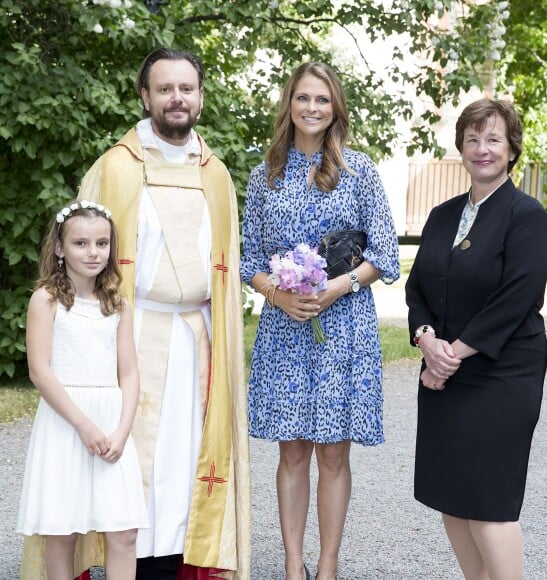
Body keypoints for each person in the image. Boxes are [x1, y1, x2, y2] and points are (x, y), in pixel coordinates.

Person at [49, 48, 250, 580]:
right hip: (131, 329)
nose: (176, 98)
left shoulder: (218, 175)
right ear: (145, 96)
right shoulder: (116, 166)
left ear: (201, 97)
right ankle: (124, 560)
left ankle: (175, 557)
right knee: (129, 452)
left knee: (186, 456)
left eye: (186, 88)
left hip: (198, 336)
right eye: (165, 89)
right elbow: (83, 260)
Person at [240, 62, 400, 580]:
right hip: (286, 328)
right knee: (292, 454)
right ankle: (293, 564)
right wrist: (278, 295)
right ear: (289, 104)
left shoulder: (359, 171)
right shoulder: (264, 176)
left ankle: (327, 566)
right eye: (304, 98)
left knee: (332, 453)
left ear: (336, 109)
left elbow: (385, 254)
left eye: (323, 100)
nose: (312, 108)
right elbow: (249, 262)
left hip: (343, 325)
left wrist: (340, 285)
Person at [405, 98, 547, 579]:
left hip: (502, 375)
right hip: (445, 375)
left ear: (512, 149)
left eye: (493, 139)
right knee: (454, 499)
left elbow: (518, 297)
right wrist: (428, 340)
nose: (482, 149)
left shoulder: (526, 215)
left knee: (489, 508)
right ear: (461, 148)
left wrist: (452, 354)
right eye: (472, 139)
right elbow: (418, 286)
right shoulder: (443, 215)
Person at [17, 201, 149, 579]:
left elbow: (130, 373)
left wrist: (121, 431)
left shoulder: (117, 304)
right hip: (66, 421)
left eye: (102, 243)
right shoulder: (46, 300)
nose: (93, 252)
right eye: (81, 243)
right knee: (63, 531)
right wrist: (84, 426)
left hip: (112, 423)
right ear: (59, 248)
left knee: (123, 532)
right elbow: (40, 372)